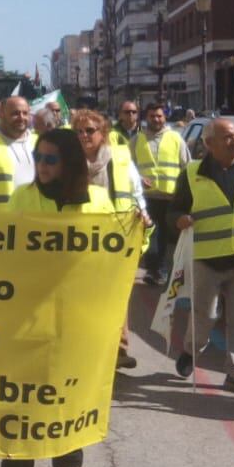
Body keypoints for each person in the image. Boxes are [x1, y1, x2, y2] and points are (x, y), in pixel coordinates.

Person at [0, 127, 115, 467]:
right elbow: (0, 246)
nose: (41, 166)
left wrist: (142, 226)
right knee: (23, 391)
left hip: (78, 315)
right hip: (30, 311)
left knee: (69, 390)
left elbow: (118, 252)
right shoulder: (21, 198)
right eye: (38, 158)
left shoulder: (99, 201)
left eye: (50, 159)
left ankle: (67, 465)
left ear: (69, 163)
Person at [171, 118, 234, 397]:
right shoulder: (192, 173)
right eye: (227, 137)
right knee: (205, 316)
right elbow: (173, 210)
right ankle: (191, 351)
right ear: (209, 144)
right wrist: (178, 219)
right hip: (207, 260)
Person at [72, 108, 147, 370]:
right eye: (78, 131)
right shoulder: (68, 161)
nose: (84, 135)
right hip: (79, 238)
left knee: (116, 295)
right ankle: (87, 347)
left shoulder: (120, 158)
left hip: (116, 236)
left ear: (103, 133)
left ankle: (119, 348)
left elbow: (136, 191)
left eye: (89, 130)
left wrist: (143, 217)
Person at [134, 103, 189, 286]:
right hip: (147, 198)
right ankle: (154, 269)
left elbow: (186, 166)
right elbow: (127, 168)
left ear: (164, 117)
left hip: (171, 197)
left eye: (159, 116)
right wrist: (139, 178)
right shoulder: (136, 140)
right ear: (146, 118)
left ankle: (164, 270)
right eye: (152, 116)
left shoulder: (175, 138)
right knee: (151, 235)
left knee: (167, 236)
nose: (156, 119)